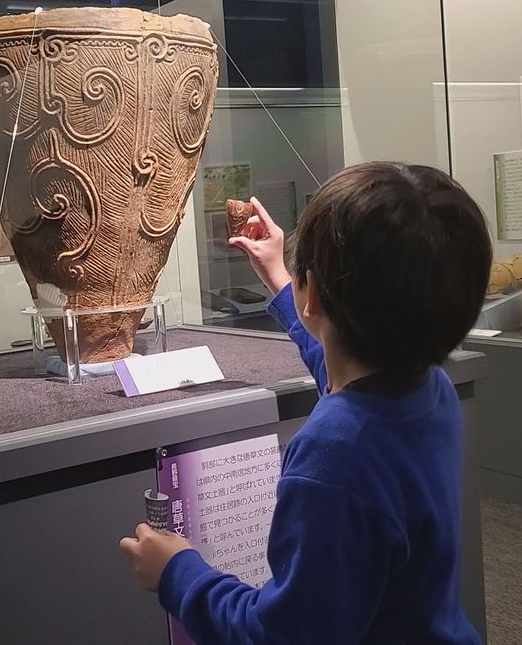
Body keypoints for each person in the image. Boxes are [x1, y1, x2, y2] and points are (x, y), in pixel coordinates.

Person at [119, 162, 492, 644]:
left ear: (311, 293)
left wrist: (177, 572)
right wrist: (279, 275)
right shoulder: (428, 386)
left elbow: (281, 636)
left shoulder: (337, 451)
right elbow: (337, 367)